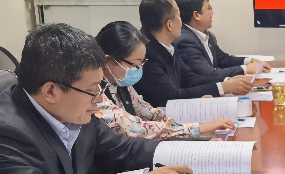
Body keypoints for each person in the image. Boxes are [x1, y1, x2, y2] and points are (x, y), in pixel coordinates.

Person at [0, 23, 196, 174]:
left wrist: (201, 153)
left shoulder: (71, 107)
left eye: (101, 87)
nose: (99, 99)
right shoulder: (3, 135)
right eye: (92, 91)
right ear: (50, 91)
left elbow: (126, 149)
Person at [93, 20, 235, 140]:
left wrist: (192, 109)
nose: (138, 69)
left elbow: (148, 113)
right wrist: (198, 129)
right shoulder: (94, 90)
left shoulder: (120, 82)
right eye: (134, 64)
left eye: (141, 63)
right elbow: (134, 128)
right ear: (108, 60)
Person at [137, 0, 254, 105]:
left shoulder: (168, 45)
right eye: (178, 16)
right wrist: (222, 87)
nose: (182, 21)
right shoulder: (146, 55)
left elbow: (188, 78)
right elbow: (171, 96)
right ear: (169, 24)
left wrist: (226, 82)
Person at [173, 0, 269, 89]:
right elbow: (207, 74)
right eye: (209, 8)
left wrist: (250, 60)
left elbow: (224, 60)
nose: (212, 13)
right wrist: (245, 69)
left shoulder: (205, 34)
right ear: (196, 15)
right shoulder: (185, 40)